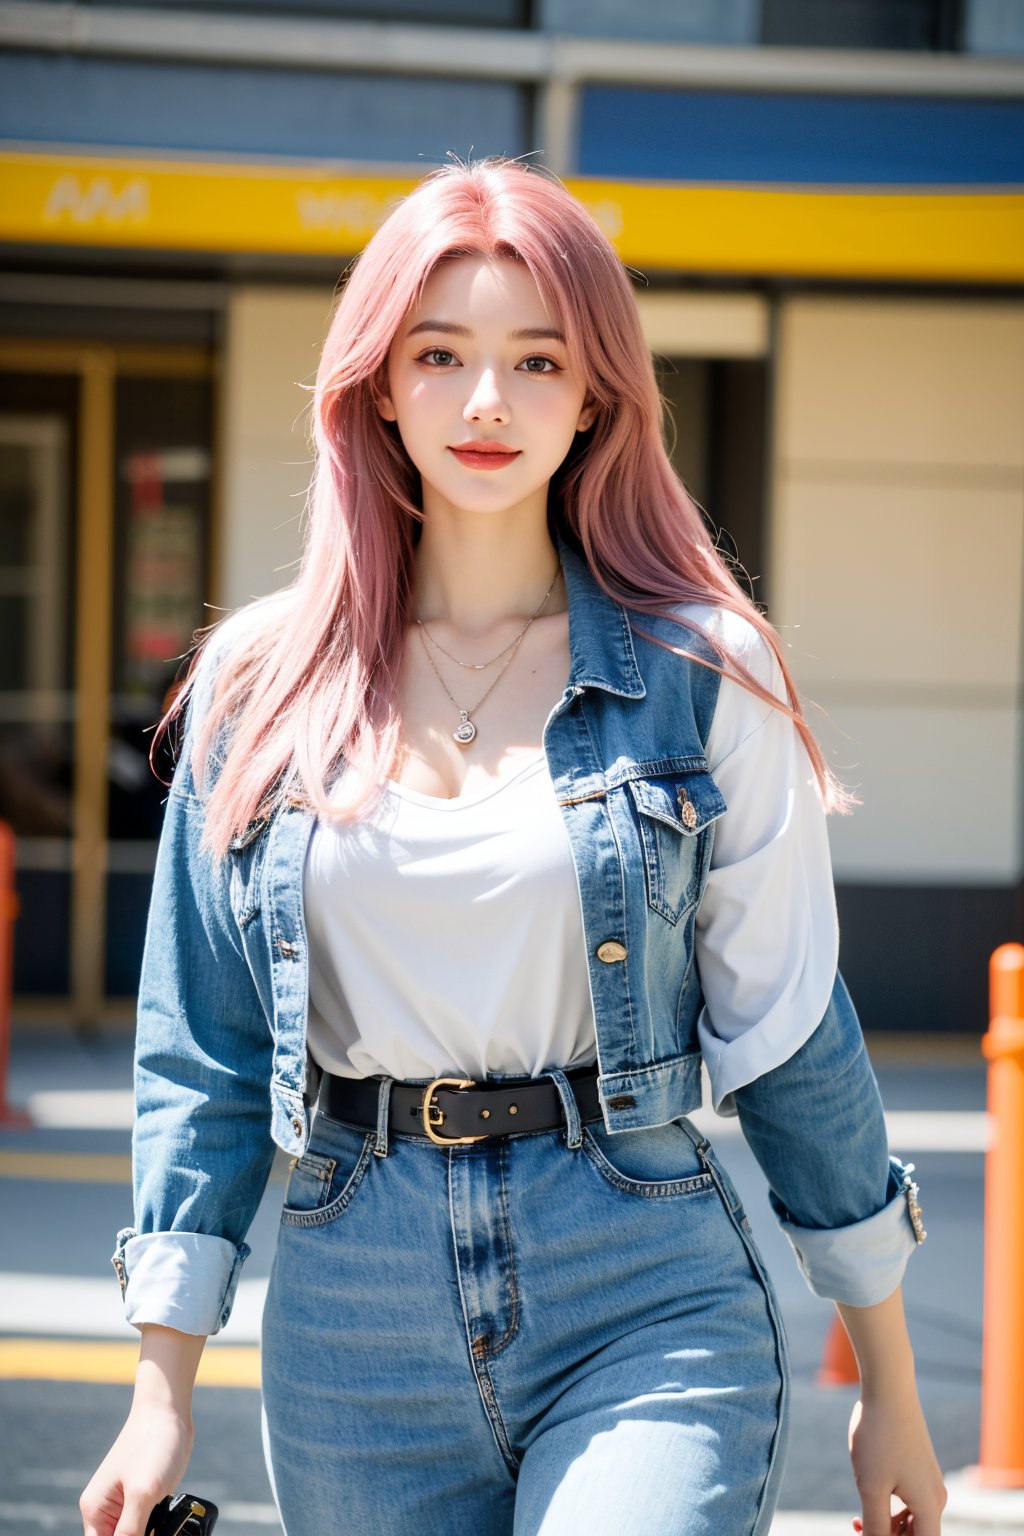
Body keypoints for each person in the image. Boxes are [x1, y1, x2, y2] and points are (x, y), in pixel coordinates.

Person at [81, 157, 946, 1536]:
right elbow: (204, 1053)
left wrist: (888, 1375)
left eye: (537, 359)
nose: (487, 402)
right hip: (352, 1312)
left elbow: (788, 1033)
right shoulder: (261, 688)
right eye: (441, 354)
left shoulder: (702, 672)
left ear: (596, 392)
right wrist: (160, 1380)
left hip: (639, 1277)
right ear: (378, 382)